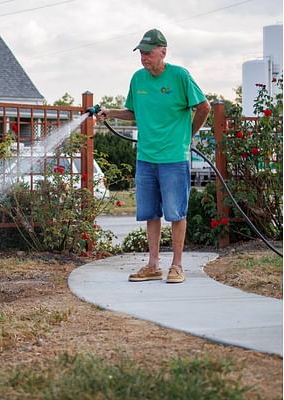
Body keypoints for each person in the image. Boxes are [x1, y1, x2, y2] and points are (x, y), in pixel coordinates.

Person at [96, 28, 211, 283]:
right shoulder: (138, 79)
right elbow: (133, 111)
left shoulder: (180, 76)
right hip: (146, 158)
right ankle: (153, 264)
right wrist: (110, 112)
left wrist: (189, 135)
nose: (144, 57)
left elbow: (204, 107)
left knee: (176, 212)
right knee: (151, 213)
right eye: (141, 53)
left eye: (148, 53)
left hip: (173, 157)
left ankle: (177, 265)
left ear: (163, 52)